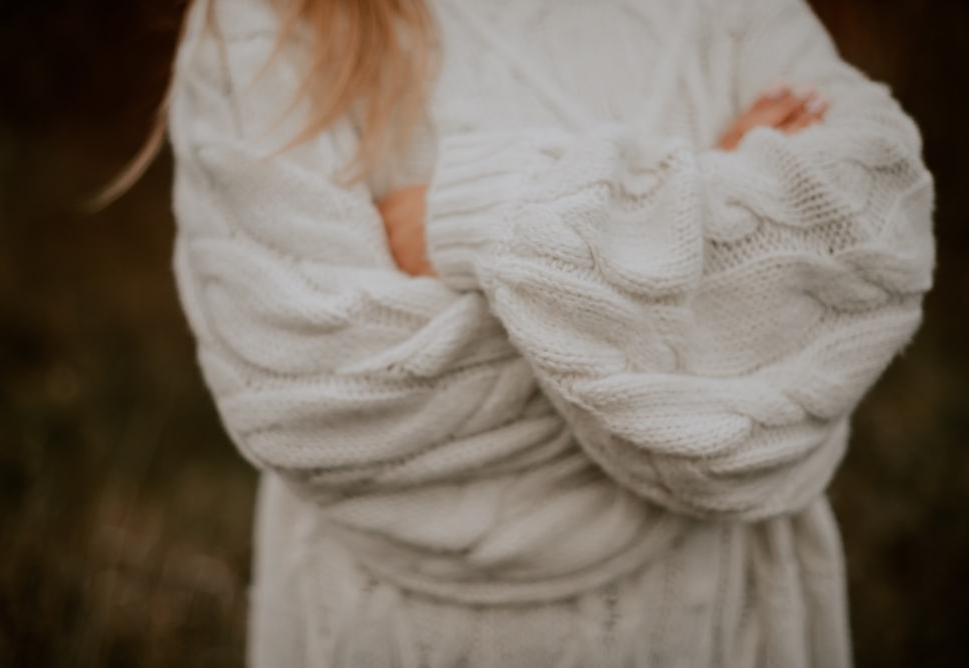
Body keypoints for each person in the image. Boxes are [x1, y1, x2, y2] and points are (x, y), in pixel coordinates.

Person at [159, 0, 935, 665]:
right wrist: (693, 234)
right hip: (382, 635)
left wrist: (479, 210)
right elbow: (304, 392)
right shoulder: (268, 17)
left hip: (712, 626)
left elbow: (875, 230)